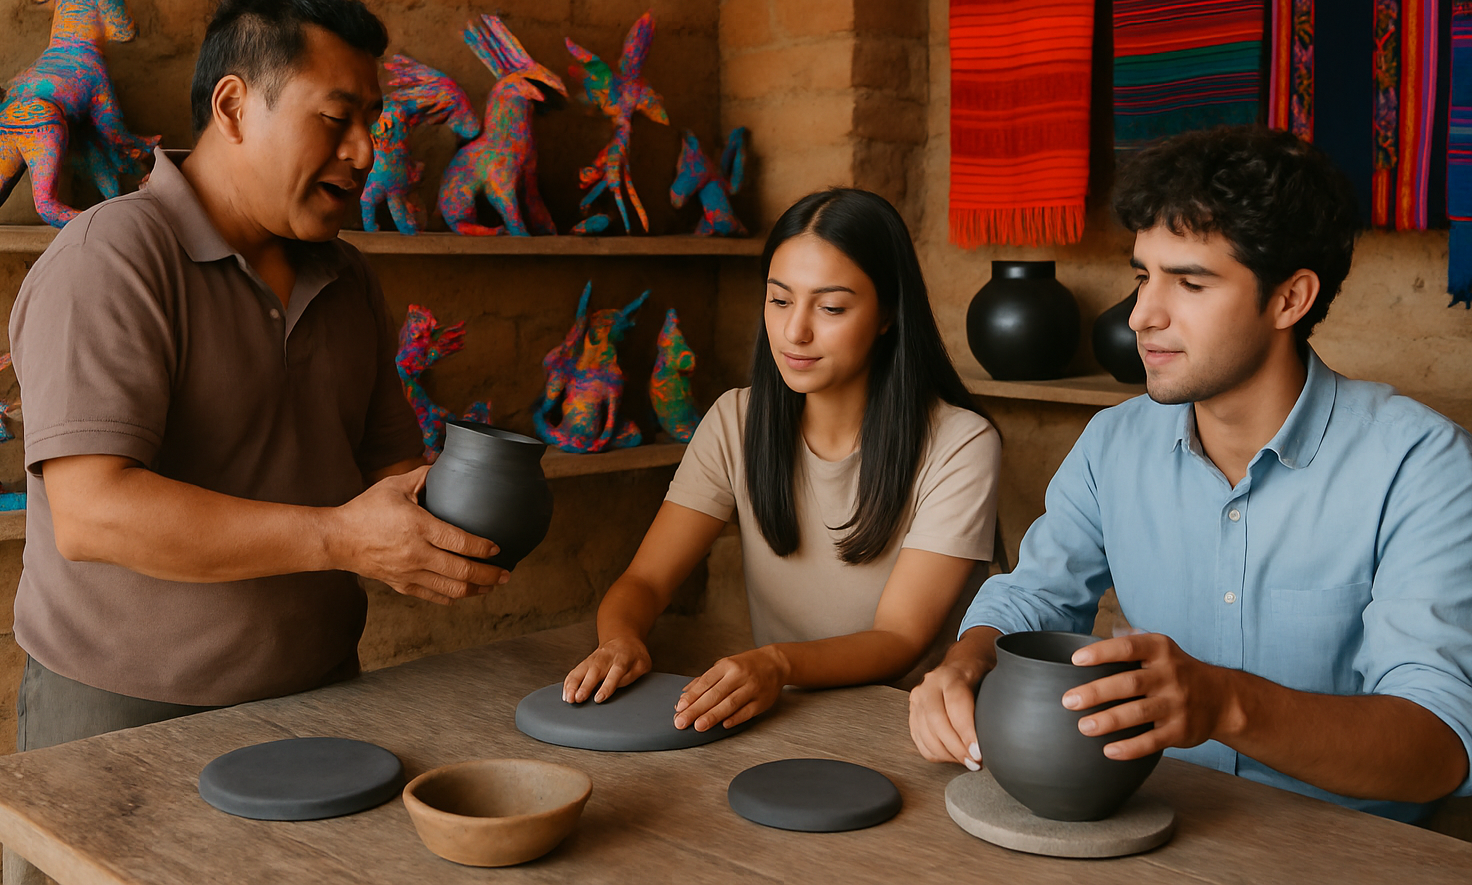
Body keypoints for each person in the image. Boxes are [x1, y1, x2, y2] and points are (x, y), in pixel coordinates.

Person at [5, 0, 507, 882]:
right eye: (338, 117)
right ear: (235, 106)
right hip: (123, 713)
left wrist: (461, 514)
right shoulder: (113, 256)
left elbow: (387, 464)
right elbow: (92, 512)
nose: (366, 150)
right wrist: (347, 538)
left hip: (321, 702)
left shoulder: (348, 279)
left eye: (374, 121)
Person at [909, 125, 1472, 822]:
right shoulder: (1113, 442)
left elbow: (1440, 748)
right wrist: (965, 662)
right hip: (1150, 827)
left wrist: (1225, 703)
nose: (1142, 315)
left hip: (1344, 853)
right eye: (1143, 275)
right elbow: (1033, 600)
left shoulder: (1422, 465)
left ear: (1290, 299)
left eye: (1190, 282)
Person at [564, 188, 1002, 732]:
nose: (796, 331)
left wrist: (779, 661)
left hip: (912, 727)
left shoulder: (960, 443)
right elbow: (646, 582)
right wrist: (621, 639)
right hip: (784, 719)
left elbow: (900, 638)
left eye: (831, 307)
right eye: (779, 300)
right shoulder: (735, 422)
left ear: (888, 312)